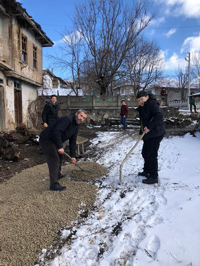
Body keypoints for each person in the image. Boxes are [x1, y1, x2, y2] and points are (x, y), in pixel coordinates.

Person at [39, 110, 87, 191]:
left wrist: (73, 156)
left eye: (83, 118)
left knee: (60, 155)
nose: (81, 118)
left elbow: (73, 140)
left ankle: (57, 174)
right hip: (47, 140)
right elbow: (56, 132)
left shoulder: (76, 125)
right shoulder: (67, 120)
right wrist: (60, 146)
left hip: (55, 140)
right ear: (76, 114)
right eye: (81, 116)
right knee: (54, 159)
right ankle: (54, 185)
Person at [136, 91, 166, 184]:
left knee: (151, 155)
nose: (140, 101)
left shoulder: (151, 104)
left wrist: (149, 127)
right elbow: (143, 122)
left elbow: (159, 115)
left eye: (142, 99)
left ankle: (154, 176)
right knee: (145, 153)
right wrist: (141, 132)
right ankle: (147, 171)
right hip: (148, 134)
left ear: (147, 97)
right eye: (138, 100)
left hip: (156, 133)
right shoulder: (143, 107)